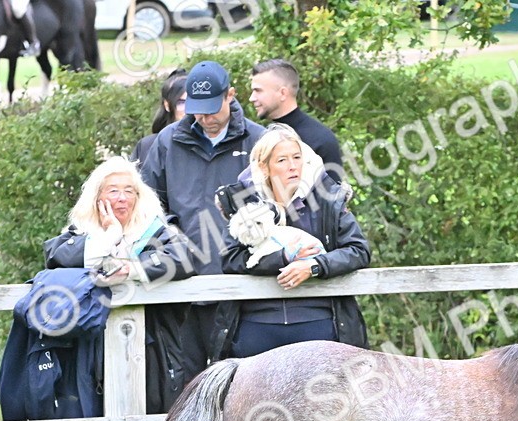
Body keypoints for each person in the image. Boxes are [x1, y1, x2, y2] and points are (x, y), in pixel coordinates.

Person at [0, 156, 195, 421]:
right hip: (87, 356)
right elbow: (56, 257)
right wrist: (106, 238)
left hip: (150, 353)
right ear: (97, 196)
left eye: (129, 190)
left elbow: (184, 259)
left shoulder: (158, 231)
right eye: (112, 190)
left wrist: (132, 268)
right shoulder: (79, 233)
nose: (121, 198)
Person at [141, 60, 264, 376]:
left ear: (231, 95)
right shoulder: (167, 141)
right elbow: (150, 208)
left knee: (241, 383)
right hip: (183, 285)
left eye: (212, 109)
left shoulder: (259, 141)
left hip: (243, 284)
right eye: (198, 110)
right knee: (187, 385)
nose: (205, 118)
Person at [210, 124, 368, 361]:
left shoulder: (328, 198)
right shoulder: (243, 202)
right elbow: (230, 259)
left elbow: (358, 251)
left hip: (317, 317)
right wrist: (283, 258)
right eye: (282, 160)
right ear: (264, 167)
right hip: (257, 320)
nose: (292, 166)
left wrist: (314, 266)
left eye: (297, 157)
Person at [249, 59, 343, 178]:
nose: (252, 98)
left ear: (283, 93)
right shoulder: (260, 137)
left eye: (258, 91)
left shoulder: (321, 141)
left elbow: (332, 194)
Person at [130, 68, 187, 166]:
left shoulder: (208, 143)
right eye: (181, 102)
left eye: (193, 102)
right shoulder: (148, 146)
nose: (188, 109)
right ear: (167, 105)